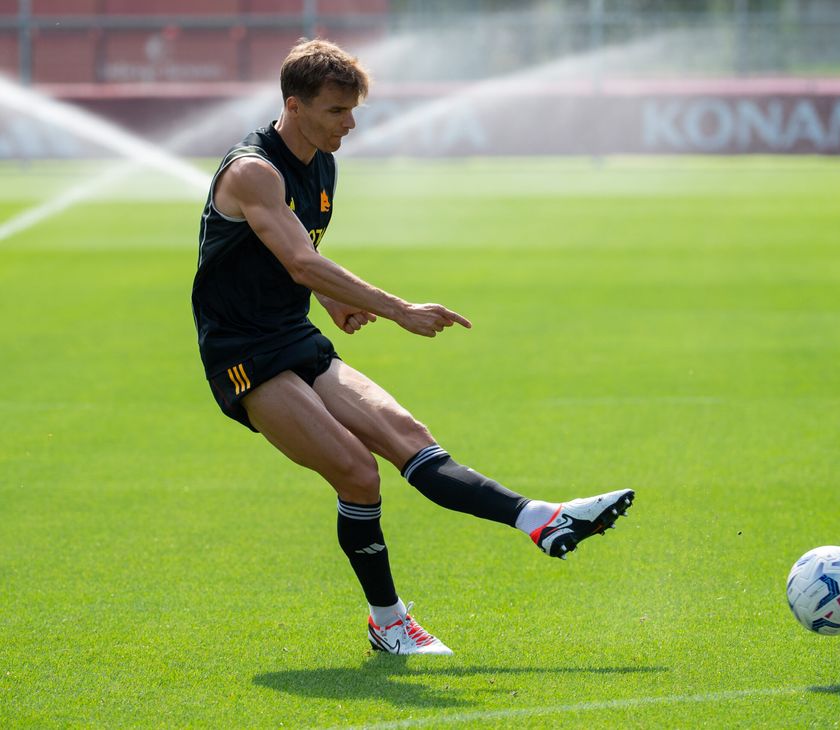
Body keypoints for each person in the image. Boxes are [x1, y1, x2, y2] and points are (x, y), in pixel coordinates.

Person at [191, 39, 634, 656]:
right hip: (242, 352)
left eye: (353, 110)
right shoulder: (253, 171)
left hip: (292, 333)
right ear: (293, 105)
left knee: (405, 432)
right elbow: (297, 259)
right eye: (335, 111)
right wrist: (396, 309)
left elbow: (285, 257)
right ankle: (390, 623)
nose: (349, 123)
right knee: (356, 470)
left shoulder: (321, 159)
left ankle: (541, 519)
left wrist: (329, 300)